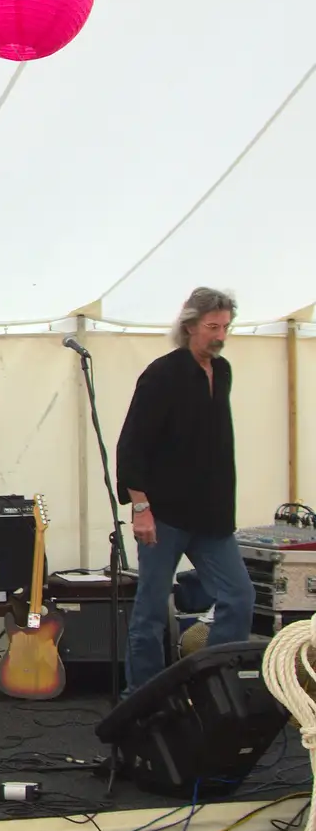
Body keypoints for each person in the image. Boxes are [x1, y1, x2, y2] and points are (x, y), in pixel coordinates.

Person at [115, 286, 253, 693]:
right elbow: (132, 444)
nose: (220, 335)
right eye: (213, 326)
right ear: (190, 326)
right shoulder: (162, 373)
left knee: (240, 597)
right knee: (151, 611)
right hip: (166, 515)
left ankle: (215, 687)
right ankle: (142, 701)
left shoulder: (222, 371)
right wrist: (141, 507)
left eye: (226, 326)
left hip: (212, 517)